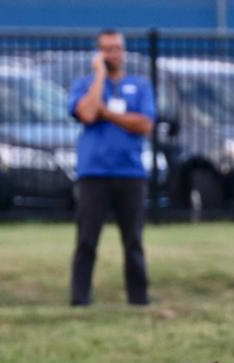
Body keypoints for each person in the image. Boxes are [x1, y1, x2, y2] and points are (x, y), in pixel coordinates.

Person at [68, 29, 155, 307]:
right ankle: (80, 298)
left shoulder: (140, 86)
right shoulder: (85, 85)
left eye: (117, 48)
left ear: (124, 51)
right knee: (86, 240)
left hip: (130, 174)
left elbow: (144, 124)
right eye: (106, 49)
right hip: (94, 174)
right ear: (98, 53)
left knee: (133, 241)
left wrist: (108, 114)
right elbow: (87, 113)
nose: (113, 54)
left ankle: (138, 298)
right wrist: (100, 76)